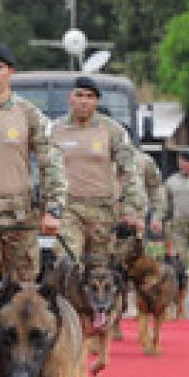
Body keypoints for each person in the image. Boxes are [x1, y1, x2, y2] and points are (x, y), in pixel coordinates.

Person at [0, 42, 66, 281]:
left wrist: (54, 209)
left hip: (20, 216)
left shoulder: (28, 114)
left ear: (10, 72)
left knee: (22, 290)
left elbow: (51, 161)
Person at [53, 76, 146, 258]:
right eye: (79, 95)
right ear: (70, 98)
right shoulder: (54, 130)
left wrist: (130, 209)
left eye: (90, 96)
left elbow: (129, 171)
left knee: (101, 270)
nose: (84, 101)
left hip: (102, 210)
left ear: (96, 101)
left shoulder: (112, 130)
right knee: (67, 261)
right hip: (68, 209)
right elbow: (45, 168)